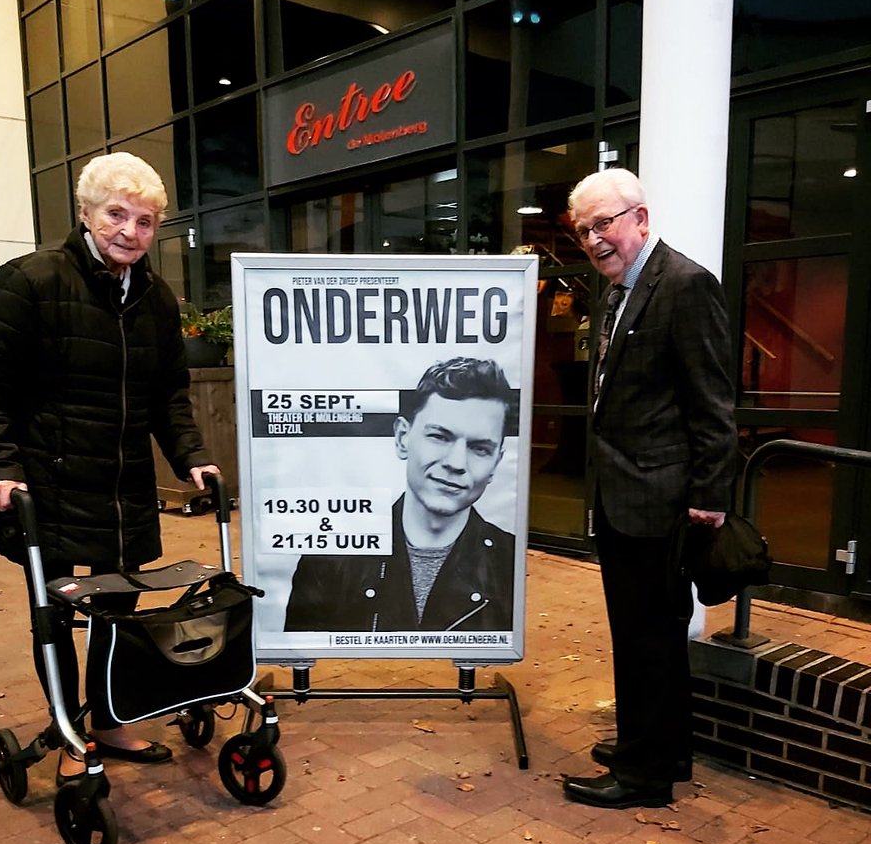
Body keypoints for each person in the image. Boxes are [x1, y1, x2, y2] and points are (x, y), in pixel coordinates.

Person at [0, 152, 220, 785]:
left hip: (121, 483)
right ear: (84, 214)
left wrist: (191, 456)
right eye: (117, 215)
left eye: (147, 221)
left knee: (117, 606)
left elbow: (168, 396)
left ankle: (105, 719)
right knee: (54, 614)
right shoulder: (28, 281)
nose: (131, 231)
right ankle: (68, 730)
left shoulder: (156, 299)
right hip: (42, 485)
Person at [562, 167, 737, 809]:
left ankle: (643, 775)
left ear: (639, 215)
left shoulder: (685, 286)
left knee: (649, 635)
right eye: (583, 230)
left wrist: (709, 499)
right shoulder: (619, 289)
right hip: (623, 494)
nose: (594, 239)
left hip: (660, 500)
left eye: (604, 223)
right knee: (646, 631)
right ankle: (663, 746)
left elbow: (713, 404)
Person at [284, 356, 515, 633]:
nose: (456, 463)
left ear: (496, 462)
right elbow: (303, 647)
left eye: (479, 448)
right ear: (402, 437)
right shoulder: (330, 556)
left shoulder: (509, 564)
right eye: (439, 437)